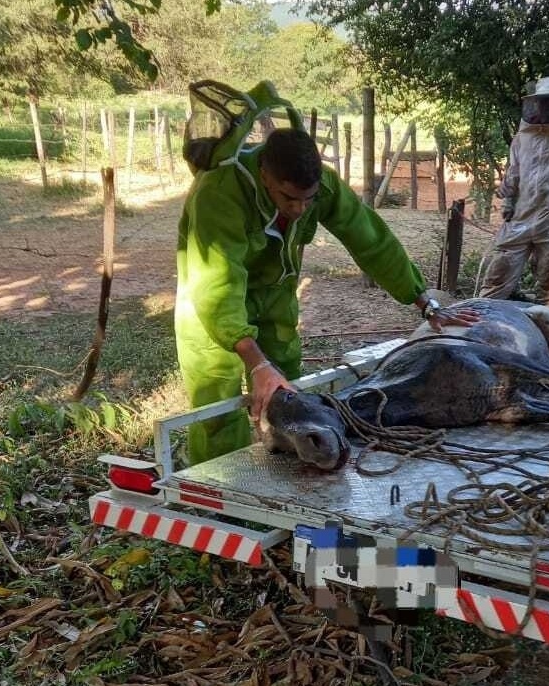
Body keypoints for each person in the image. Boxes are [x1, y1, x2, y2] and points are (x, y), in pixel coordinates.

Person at [176, 126, 478, 464]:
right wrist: (257, 362)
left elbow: (371, 240)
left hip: (275, 298)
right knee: (217, 408)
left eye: (308, 198)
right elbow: (218, 286)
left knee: (287, 396)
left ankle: (281, 483)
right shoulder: (219, 192)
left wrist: (424, 303)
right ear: (263, 173)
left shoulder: (323, 188)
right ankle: (216, 491)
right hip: (211, 304)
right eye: (288, 198)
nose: (300, 209)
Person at [480, 75, 549, 307]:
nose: (547, 105)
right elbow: (514, 170)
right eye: (543, 101)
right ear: (535, 103)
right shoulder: (523, 136)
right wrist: (509, 200)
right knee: (500, 271)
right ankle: (481, 319)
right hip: (521, 214)